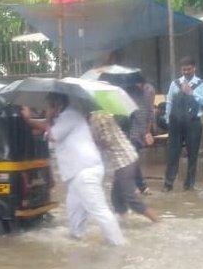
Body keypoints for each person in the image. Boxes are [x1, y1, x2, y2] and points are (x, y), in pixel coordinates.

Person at [33, 93, 125, 246]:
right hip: (77, 174)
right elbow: (46, 127)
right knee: (74, 213)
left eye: (50, 105)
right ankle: (78, 240)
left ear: (57, 104)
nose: (48, 109)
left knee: (99, 210)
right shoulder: (65, 117)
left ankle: (119, 245)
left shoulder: (70, 115)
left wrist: (46, 118)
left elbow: (52, 135)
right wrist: (30, 119)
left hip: (85, 172)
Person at [89, 111, 160, 224]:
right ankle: (124, 224)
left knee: (131, 199)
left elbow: (107, 141)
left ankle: (157, 222)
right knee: (116, 198)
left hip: (123, 161)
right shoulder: (103, 115)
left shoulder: (98, 118)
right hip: (126, 158)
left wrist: (94, 141)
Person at [164, 56, 203, 191]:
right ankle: (168, 184)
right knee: (173, 153)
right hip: (175, 123)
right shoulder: (175, 83)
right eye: (184, 70)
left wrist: (192, 93)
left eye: (189, 69)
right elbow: (169, 102)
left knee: (193, 154)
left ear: (194, 68)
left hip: (193, 123)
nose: (186, 72)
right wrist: (168, 120)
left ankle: (189, 184)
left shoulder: (201, 84)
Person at [124, 79, 155, 194]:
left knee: (132, 157)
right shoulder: (126, 90)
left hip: (141, 128)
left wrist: (148, 131)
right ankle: (140, 185)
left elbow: (150, 111)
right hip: (129, 127)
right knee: (131, 157)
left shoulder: (149, 90)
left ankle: (137, 185)